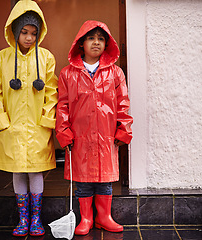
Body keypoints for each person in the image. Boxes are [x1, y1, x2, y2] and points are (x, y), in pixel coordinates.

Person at [0, 0, 58, 237]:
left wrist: (47, 121)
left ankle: (36, 219)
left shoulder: (46, 58)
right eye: (24, 32)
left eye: (34, 33)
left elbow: (51, 92)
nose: (29, 38)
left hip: (38, 127)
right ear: (15, 31)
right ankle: (22, 219)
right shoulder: (1, 59)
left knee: (36, 171)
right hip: (13, 128)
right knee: (18, 171)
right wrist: (3, 123)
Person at [55, 20, 133, 235]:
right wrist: (64, 131)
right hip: (79, 136)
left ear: (107, 44)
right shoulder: (67, 74)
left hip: (106, 135)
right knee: (83, 181)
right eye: (91, 38)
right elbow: (62, 105)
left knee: (105, 179)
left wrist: (123, 129)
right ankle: (86, 219)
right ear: (81, 43)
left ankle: (104, 217)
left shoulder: (115, 73)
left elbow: (123, 102)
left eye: (101, 38)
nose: (96, 42)